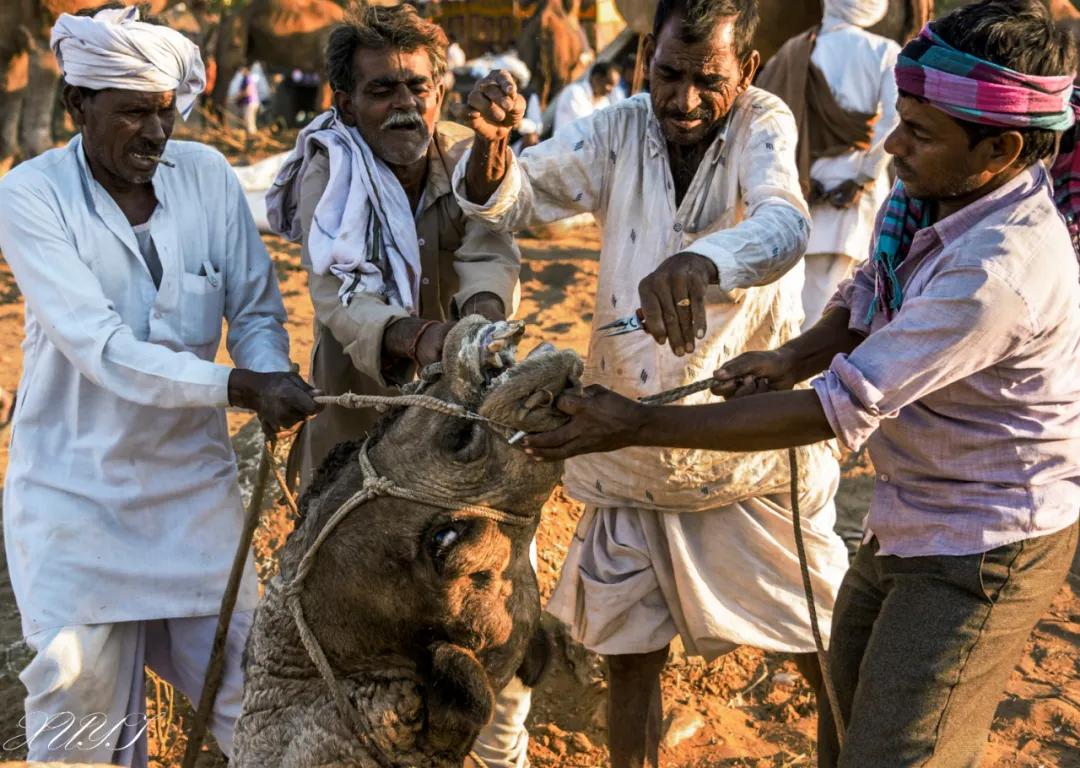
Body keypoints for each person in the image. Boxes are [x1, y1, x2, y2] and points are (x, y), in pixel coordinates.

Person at [520, 2, 1080, 766]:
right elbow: (863, 299)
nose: (891, 143)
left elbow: (835, 402)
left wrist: (637, 424)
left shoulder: (998, 273)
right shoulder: (936, 197)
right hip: (907, 514)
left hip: (984, 543)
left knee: (896, 751)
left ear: (1003, 146)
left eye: (916, 132)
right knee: (844, 712)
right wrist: (791, 357)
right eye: (902, 120)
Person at [458, 1, 850, 765]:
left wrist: (702, 263)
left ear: (749, 70)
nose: (684, 99)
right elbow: (520, 198)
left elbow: (785, 224)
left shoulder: (763, 122)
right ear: (644, 57)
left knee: (821, 650)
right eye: (668, 74)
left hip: (743, 450)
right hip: (624, 440)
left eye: (709, 79)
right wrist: (493, 151)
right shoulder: (619, 126)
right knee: (630, 662)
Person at [0, 7, 321, 765]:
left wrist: (269, 367)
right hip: (75, 500)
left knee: (257, 690)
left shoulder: (207, 176)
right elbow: (103, 351)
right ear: (77, 106)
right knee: (81, 703)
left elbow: (254, 308)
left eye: (166, 111)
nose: (155, 132)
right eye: (133, 113)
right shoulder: (31, 196)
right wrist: (243, 385)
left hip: (194, 494)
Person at [264, 6, 525, 767]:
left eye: (418, 85)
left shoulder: (465, 165)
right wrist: (426, 340)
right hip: (363, 428)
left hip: (460, 414)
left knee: (493, 599)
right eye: (382, 90)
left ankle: (501, 748)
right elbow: (342, 293)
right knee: (360, 616)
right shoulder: (331, 169)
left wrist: (475, 328)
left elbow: (489, 246)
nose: (405, 104)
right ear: (343, 102)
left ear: (441, 90)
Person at [758, 0, 901, 329]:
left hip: (799, 188)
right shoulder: (883, 52)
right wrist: (864, 176)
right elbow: (895, 122)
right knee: (839, 305)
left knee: (795, 301)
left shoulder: (791, 53)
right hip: (852, 197)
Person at [552, 60, 622, 133]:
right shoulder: (575, 92)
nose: (611, 90)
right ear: (596, 78)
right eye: (609, 84)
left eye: (614, 86)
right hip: (563, 143)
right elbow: (585, 127)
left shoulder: (605, 102)